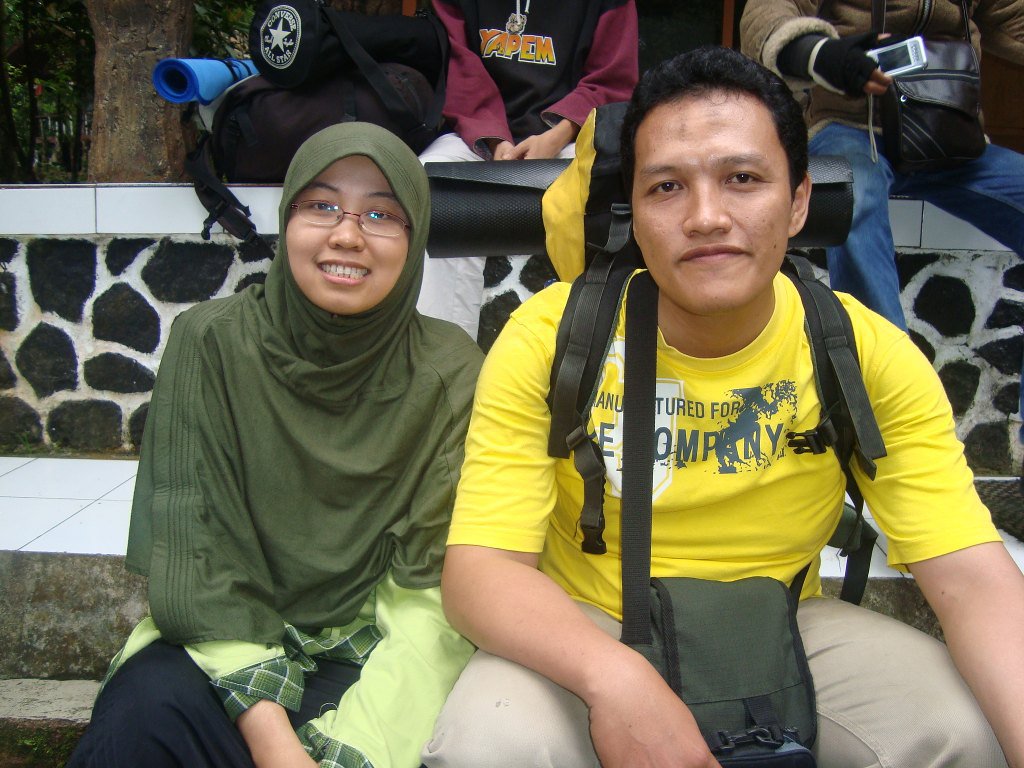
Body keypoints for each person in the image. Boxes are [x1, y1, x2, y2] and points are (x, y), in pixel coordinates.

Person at [421, 47, 1024, 768]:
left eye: (742, 179)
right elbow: (482, 572)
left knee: (961, 732)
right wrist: (618, 681)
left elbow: (972, 577)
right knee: (489, 744)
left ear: (798, 201)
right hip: (589, 621)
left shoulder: (862, 352)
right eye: (667, 187)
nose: (706, 217)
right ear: (634, 209)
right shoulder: (551, 340)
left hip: (782, 625)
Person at [67, 122, 483, 768]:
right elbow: (200, 555)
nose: (347, 235)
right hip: (217, 640)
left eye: (381, 214)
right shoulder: (213, 342)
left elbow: (431, 594)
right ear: (287, 221)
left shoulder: (448, 369)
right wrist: (276, 745)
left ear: (415, 236)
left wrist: (349, 753)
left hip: (374, 650)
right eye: (321, 206)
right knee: (142, 723)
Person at [738, 0, 1024, 488]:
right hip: (847, 125)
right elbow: (767, 13)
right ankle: (890, 410)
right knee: (857, 199)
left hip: (945, 130)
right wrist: (819, 54)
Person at [415, 0, 638, 342]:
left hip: (569, 134)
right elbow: (460, 69)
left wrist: (558, 134)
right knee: (427, 183)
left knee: (606, 188)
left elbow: (613, 79)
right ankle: (444, 353)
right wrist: (494, 139)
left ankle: (591, 346)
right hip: (477, 134)